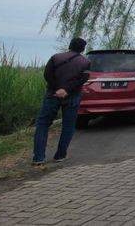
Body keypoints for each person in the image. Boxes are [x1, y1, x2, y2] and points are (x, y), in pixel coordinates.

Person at [33, 37, 91, 165]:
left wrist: (58, 89)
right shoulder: (85, 62)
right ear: (82, 48)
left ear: (70, 45)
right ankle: (60, 155)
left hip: (52, 95)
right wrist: (67, 90)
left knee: (43, 124)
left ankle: (39, 157)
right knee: (68, 126)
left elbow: (47, 75)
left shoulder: (55, 57)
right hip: (72, 96)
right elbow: (84, 78)